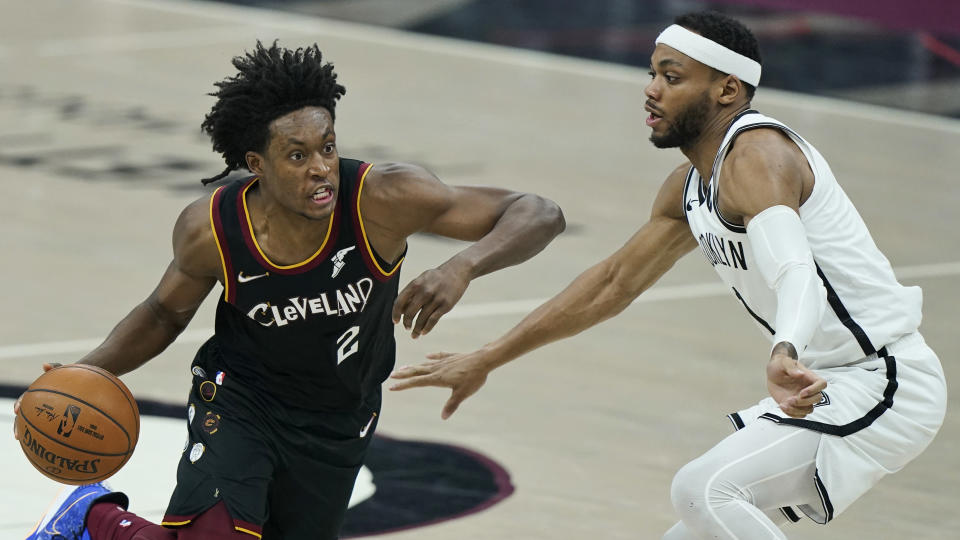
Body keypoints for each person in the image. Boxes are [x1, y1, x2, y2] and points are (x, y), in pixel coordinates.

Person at [390, 11, 947, 539]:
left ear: (726, 89)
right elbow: (612, 284)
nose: (651, 89)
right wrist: (489, 356)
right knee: (701, 523)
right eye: (652, 72)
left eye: (671, 76)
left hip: (881, 377)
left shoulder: (758, 154)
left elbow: (795, 269)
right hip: (820, 382)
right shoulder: (689, 186)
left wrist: (785, 347)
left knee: (704, 489)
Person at [16, 41, 565, 540]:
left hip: (339, 417)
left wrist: (463, 266)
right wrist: (84, 372)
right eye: (298, 156)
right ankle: (94, 516)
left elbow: (539, 212)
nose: (322, 169)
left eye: (327, 147)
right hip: (240, 399)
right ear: (256, 164)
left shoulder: (384, 197)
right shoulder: (211, 229)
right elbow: (163, 314)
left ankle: (90, 519)